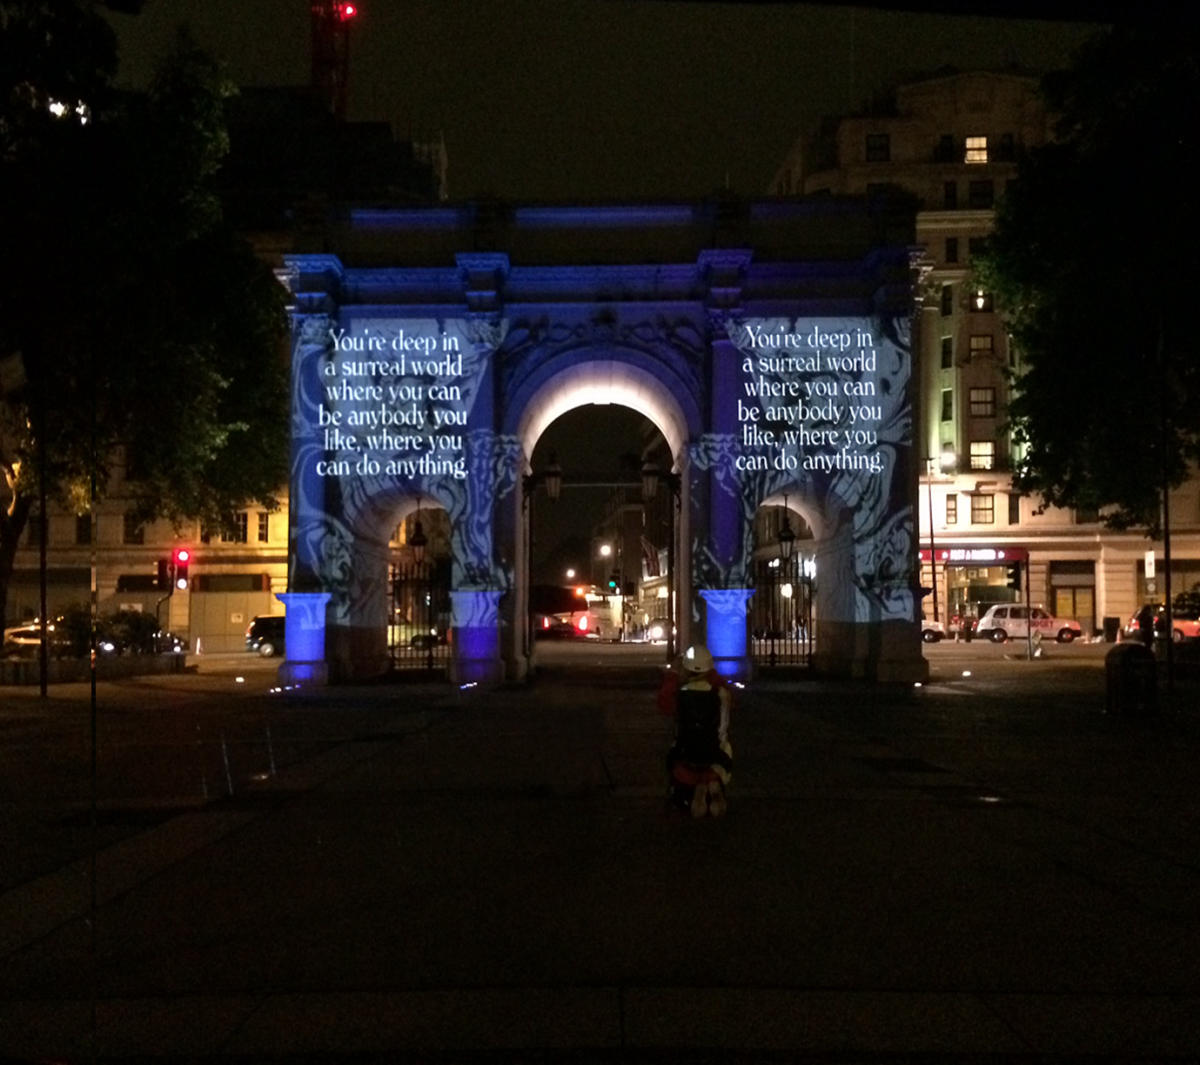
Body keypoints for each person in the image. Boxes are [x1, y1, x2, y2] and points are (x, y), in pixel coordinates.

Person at [657, 644, 733, 818]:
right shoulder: (720, 693)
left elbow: (664, 704)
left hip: (686, 753)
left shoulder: (680, 694)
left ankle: (694, 789)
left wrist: (672, 675)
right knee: (725, 750)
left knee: (673, 757)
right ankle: (712, 781)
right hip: (715, 754)